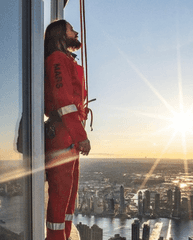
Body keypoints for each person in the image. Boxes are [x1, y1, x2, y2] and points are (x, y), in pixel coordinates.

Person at [44, 19, 91, 240]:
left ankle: (63, 235)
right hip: (63, 134)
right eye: (71, 29)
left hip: (69, 134)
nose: (76, 32)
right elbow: (64, 102)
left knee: (69, 197)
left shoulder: (66, 60)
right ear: (60, 35)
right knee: (60, 194)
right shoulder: (56, 59)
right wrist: (81, 136)